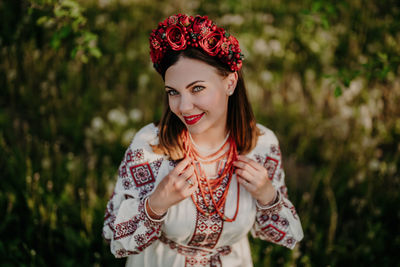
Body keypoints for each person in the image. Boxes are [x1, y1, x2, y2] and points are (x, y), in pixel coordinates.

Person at [103, 14, 304, 267]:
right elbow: (115, 236)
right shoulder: (151, 147)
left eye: (197, 88)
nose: (184, 107)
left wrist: (267, 196)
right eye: (173, 92)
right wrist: (156, 205)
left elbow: (285, 234)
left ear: (230, 82)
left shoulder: (261, 145)